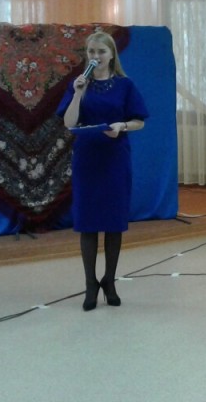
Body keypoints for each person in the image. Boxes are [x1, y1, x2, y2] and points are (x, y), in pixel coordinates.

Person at [57, 31, 148, 312]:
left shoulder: (125, 85)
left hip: (115, 158)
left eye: (101, 52)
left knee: (113, 221)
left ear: (111, 55)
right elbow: (69, 122)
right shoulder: (79, 84)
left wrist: (122, 126)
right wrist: (78, 93)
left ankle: (109, 281)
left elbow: (139, 121)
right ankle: (90, 284)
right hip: (87, 158)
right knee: (88, 222)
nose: (95, 57)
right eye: (91, 52)